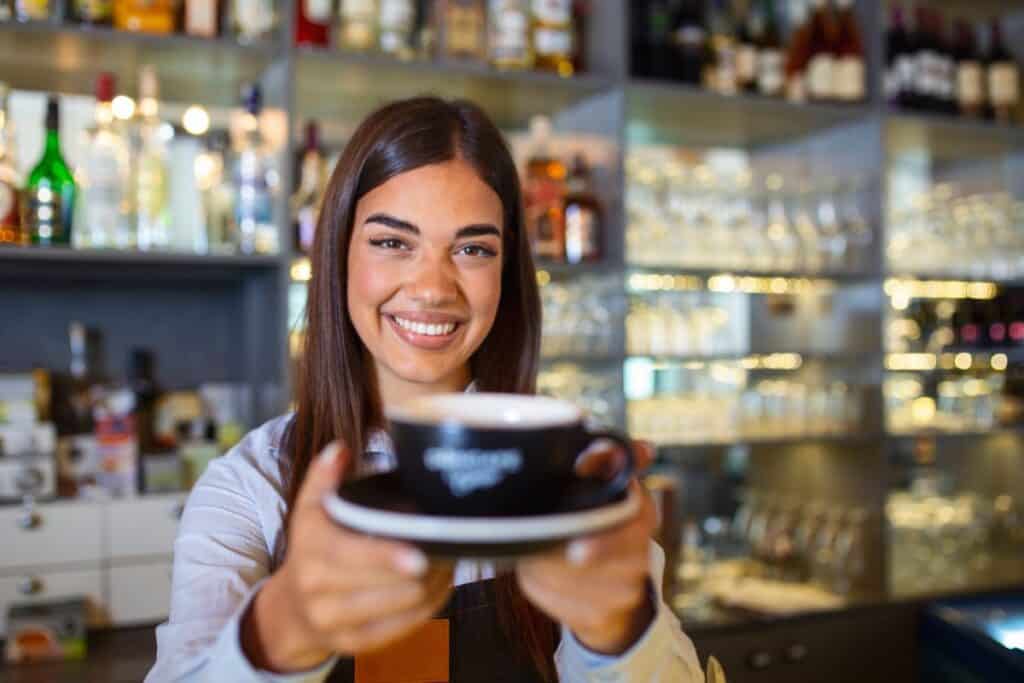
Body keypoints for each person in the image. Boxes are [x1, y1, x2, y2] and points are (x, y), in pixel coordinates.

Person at [146, 97, 703, 682]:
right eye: (392, 242)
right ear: (338, 255)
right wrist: (288, 626)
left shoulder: (569, 479)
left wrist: (619, 629)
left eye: (472, 249)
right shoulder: (250, 487)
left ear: (507, 274)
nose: (433, 287)